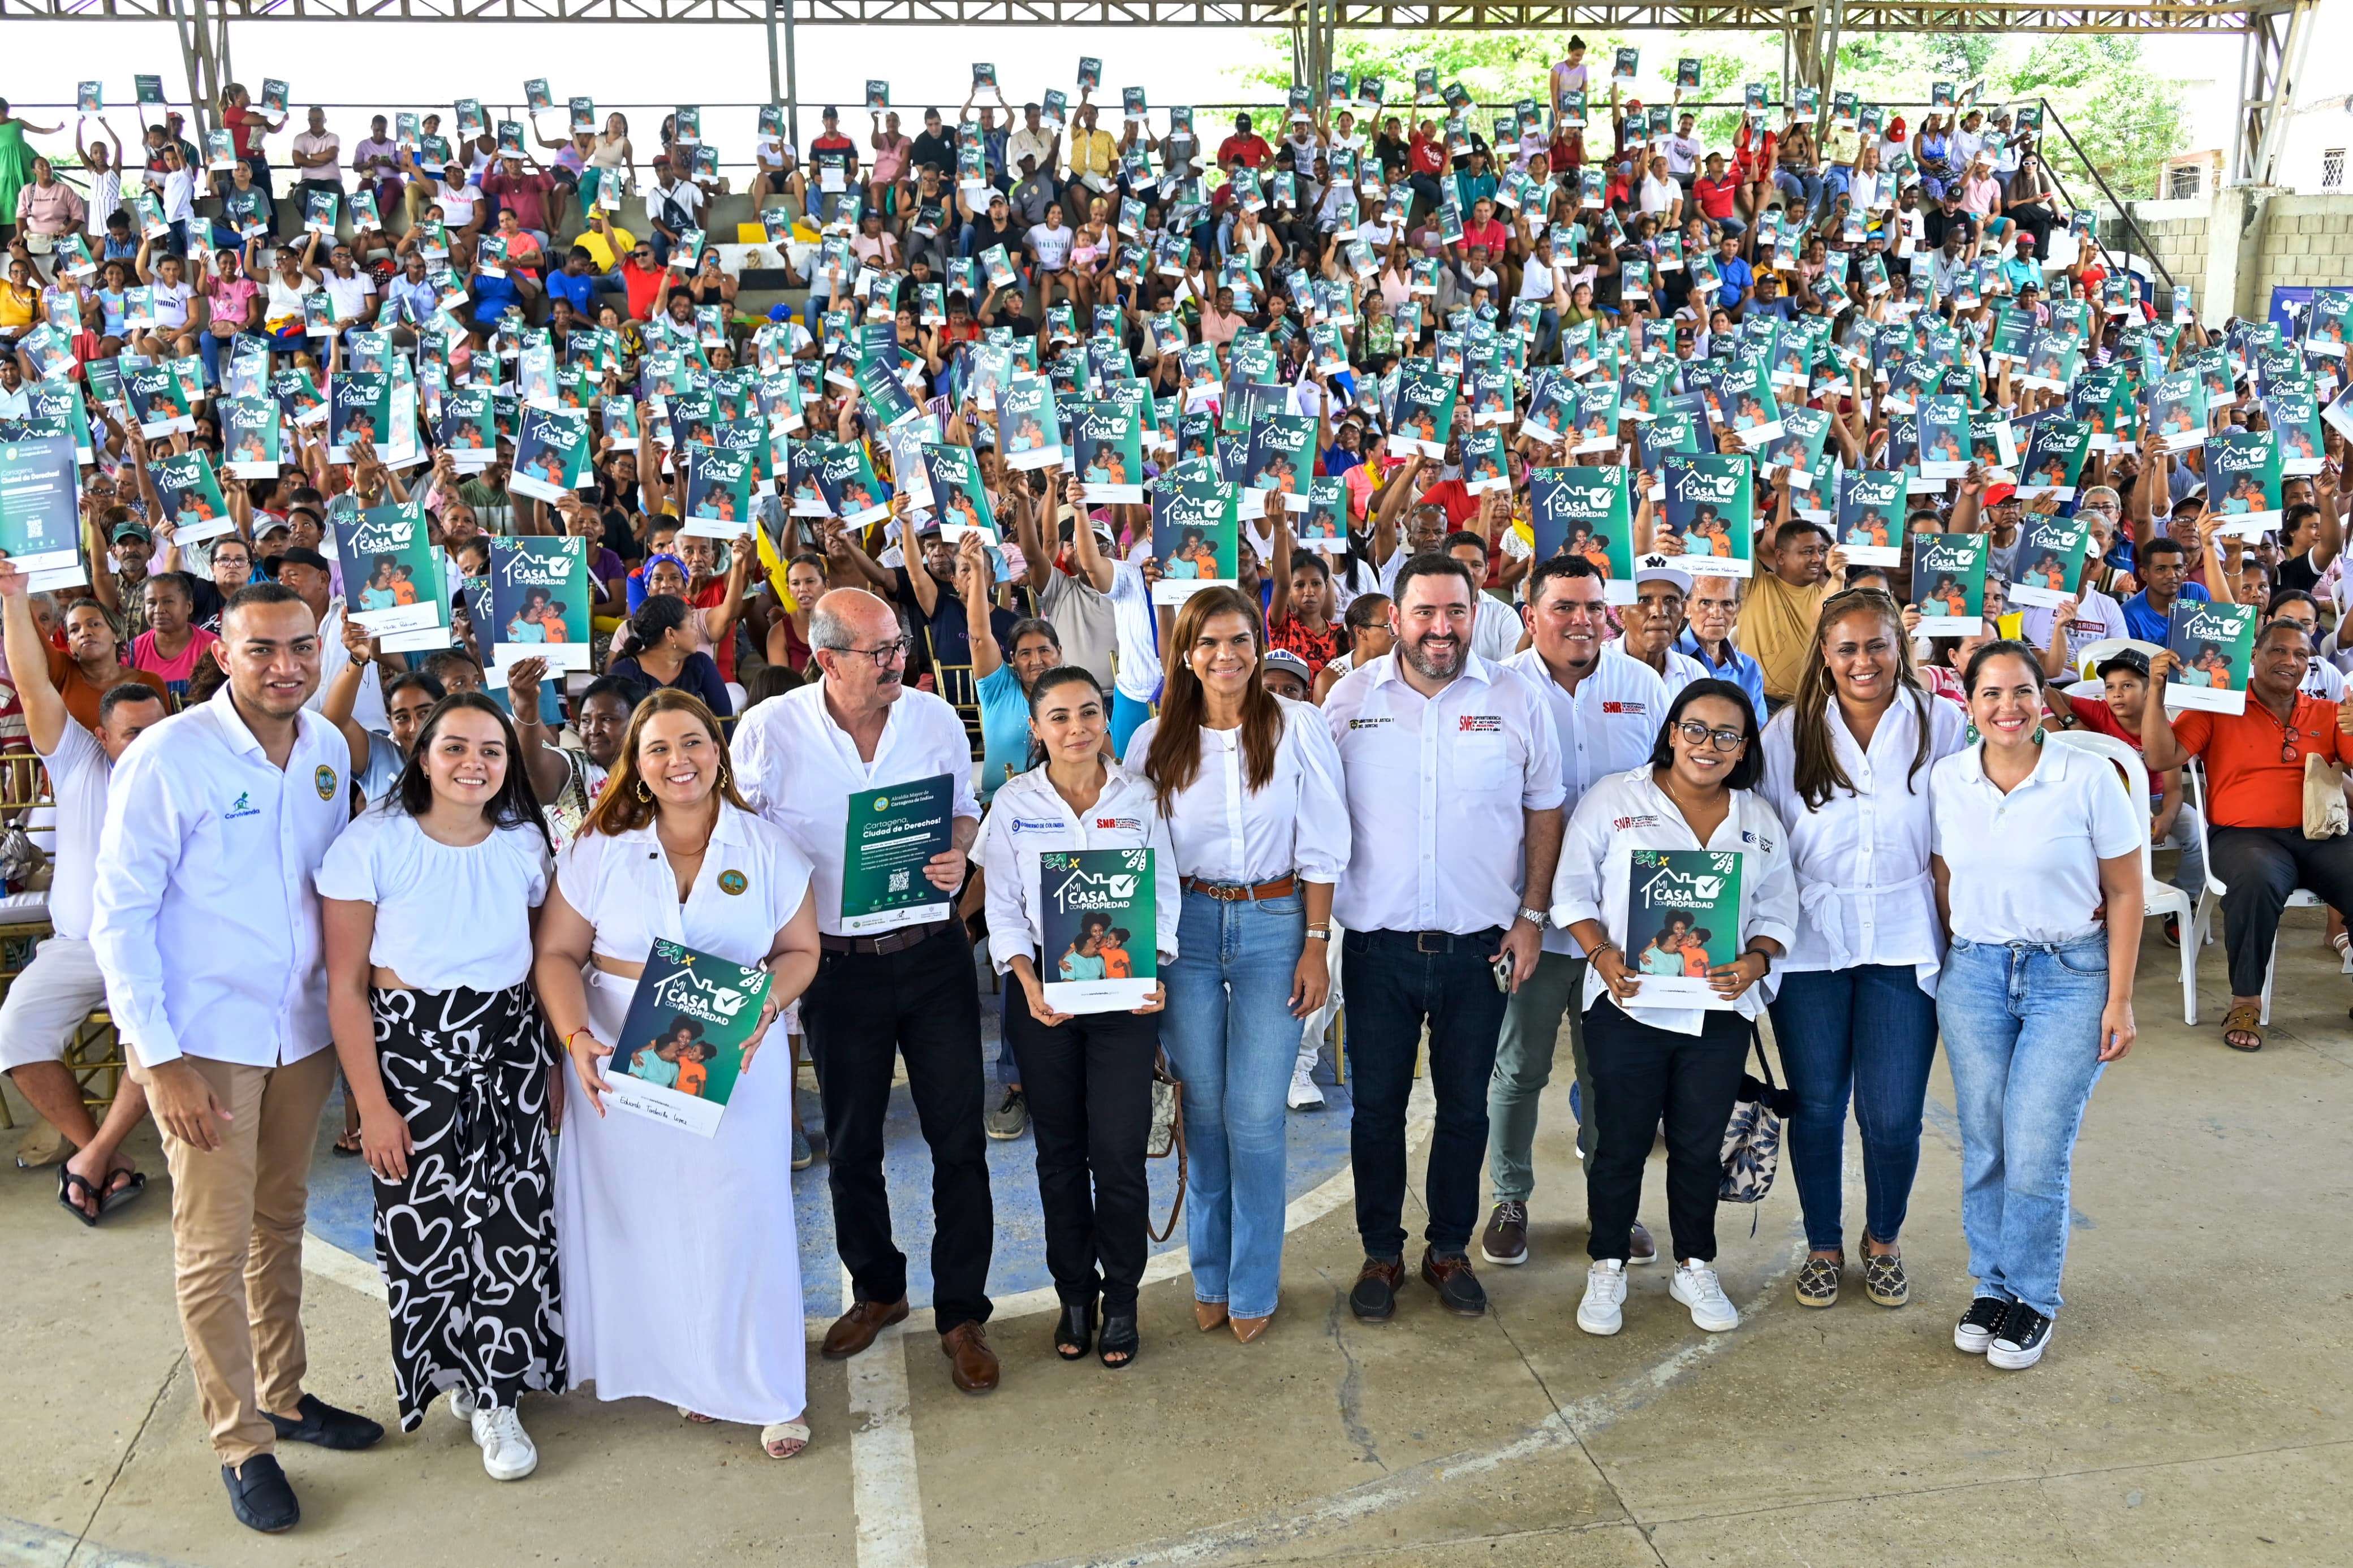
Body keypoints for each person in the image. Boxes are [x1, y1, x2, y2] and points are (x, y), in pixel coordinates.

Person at [90, 583, 385, 1534]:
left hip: (301, 1033)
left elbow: (342, 891)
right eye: (263, 649)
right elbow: (120, 912)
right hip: (204, 1044)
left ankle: (288, 1395)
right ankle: (239, 1437)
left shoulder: (331, 751)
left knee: (279, 1219)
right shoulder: (169, 757)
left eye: (302, 647)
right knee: (212, 1246)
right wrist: (155, 1055)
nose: (286, 666)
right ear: (223, 652)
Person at [533, 688, 821, 1457]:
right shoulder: (598, 848)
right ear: (637, 763)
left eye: (691, 742)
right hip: (618, 1060)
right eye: (658, 748)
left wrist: (768, 1006)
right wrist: (573, 1037)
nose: (677, 760)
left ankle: (765, 1387)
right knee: (652, 1221)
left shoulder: (766, 847)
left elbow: (800, 953)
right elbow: (557, 954)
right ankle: (689, 1374)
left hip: (736, 1060)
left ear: (717, 750)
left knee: (744, 1216)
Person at [730, 589, 1000, 1394]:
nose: (898, 663)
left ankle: (962, 1312)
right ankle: (878, 1288)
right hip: (838, 964)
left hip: (934, 955)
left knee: (961, 1140)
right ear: (825, 659)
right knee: (852, 1144)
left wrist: (959, 854)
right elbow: (738, 834)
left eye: (898, 647)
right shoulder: (767, 732)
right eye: (878, 652)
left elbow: (964, 812)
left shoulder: (933, 719)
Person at [317, 693, 563, 1479]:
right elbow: (347, 989)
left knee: (512, 1224)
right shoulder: (372, 842)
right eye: (454, 747)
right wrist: (374, 1106)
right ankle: (456, 1368)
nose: (473, 764)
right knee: (426, 1229)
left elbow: (541, 955)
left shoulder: (525, 841)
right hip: (411, 1055)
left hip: (511, 1043)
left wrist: (550, 1055)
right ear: (422, 755)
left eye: (490, 750)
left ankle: (500, 1393)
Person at [1324, 555, 1565, 1322]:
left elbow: (1543, 811)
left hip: (1480, 949)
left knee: (1465, 1108)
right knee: (1376, 1111)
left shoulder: (1516, 696)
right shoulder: (1348, 699)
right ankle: (1381, 1252)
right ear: (1393, 618)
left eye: (1456, 612)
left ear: (1477, 616)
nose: (1441, 628)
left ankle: (1449, 1248)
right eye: (1424, 612)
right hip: (1376, 948)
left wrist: (1531, 917)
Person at [1128, 586, 1348, 1343]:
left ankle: (1254, 1280)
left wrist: (1316, 943)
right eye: (1209, 644)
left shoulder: (1297, 726)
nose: (1226, 657)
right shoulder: (1154, 741)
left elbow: (1323, 841)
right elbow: (1140, 857)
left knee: (1256, 1118)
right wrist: (1146, 958)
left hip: (1275, 924)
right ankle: (1209, 1273)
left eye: (1239, 641)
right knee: (1207, 1114)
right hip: (1184, 930)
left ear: (1259, 646)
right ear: (1186, 655)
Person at [1555, 679, 1798, 1337]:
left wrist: (1756, 958)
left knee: (1696, 1147)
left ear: (1744, 747)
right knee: (1618, 1144)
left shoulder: (1755, 819)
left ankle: (1695, 1262)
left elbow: (1779, 905)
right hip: (1625, 1005)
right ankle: (1606, 1263)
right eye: (1695, 729)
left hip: (1718, 1012)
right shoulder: (1614, 799)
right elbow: (1570, 887)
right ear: (1669, 731)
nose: (1707, 745)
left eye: (1726, 735)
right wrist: (1601, 953)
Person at [1931, 641, 2141, 1371]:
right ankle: (1990, 1285)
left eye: (2020, 691)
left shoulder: (2087, 776)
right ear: (1968, 703)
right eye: (1989, 694)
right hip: (1977, 976)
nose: (2006, 708)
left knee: (2033, 1147)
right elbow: (1942, 872)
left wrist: (2118, 997)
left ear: (2041, 696)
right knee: (1985, 1143)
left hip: (2069, 975)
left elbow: (2124, 891)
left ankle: (2032, 1298)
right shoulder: (1946, 779)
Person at [1759, 589, 1968, 1310]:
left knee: (1891, 1113)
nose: (1862, 661)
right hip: (1810, 941)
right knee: (1815, 1106)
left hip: (1905, 937)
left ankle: (1882, 1240)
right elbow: (1762, 840)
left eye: (1876, 644)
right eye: (1845, 647)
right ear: (1824, 653)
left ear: (1899, 647)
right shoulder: (1787, 733)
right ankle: (1821, 1242)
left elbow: (1967, 832)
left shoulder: (1942, 722)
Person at [982, 665, 1178, 1366]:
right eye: (1058, 717)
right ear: (1034, 728)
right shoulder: (1011, 803)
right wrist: (1028, 980)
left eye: (1089, 713)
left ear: (1105, 719)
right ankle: (1075, 1294)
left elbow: (1162, 891)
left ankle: (1121, 1297)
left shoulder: (1141, 796)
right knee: (1058, 1156)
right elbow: (1001, 906)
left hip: (1123, 999)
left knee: (1119, 1155)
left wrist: (1154, 965)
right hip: (1042, 997)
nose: (1076, 729)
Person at [1481, 557, 1669, 1271]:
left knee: (1610, 1077)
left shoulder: (1642, 686)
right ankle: (1509, 1197)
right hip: (1529, 923)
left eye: (1592, 606)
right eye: (1563, 607)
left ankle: (1609, 1209)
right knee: (1519, 1068)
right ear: (1530, 617)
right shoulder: (1499, 689)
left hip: (1617, 929)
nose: (1580, 620)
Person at [0, 564, 164, 1224]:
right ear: (102, 734)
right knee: (14, 1032)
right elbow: (33, 681)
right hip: (75, 946)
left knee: (159, 1042)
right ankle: (100, 1153)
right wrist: (14, 600)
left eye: (156, 730)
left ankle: (91, 1159)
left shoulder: (185, 776)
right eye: (132, 733)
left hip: (154, 950)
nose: (145, 744)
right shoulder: (75, 759)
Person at [2139, 621, 2353, 1052]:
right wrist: (2157, 695)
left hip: (2318, 834)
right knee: (2257, 877)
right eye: (2278, 651)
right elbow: (2162, 756)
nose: (2289, 661)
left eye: (2300, 655)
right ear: (2253, 656)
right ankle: (2245, 1001)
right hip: (2243, 838)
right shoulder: (2218, 706)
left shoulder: (2329, 712)